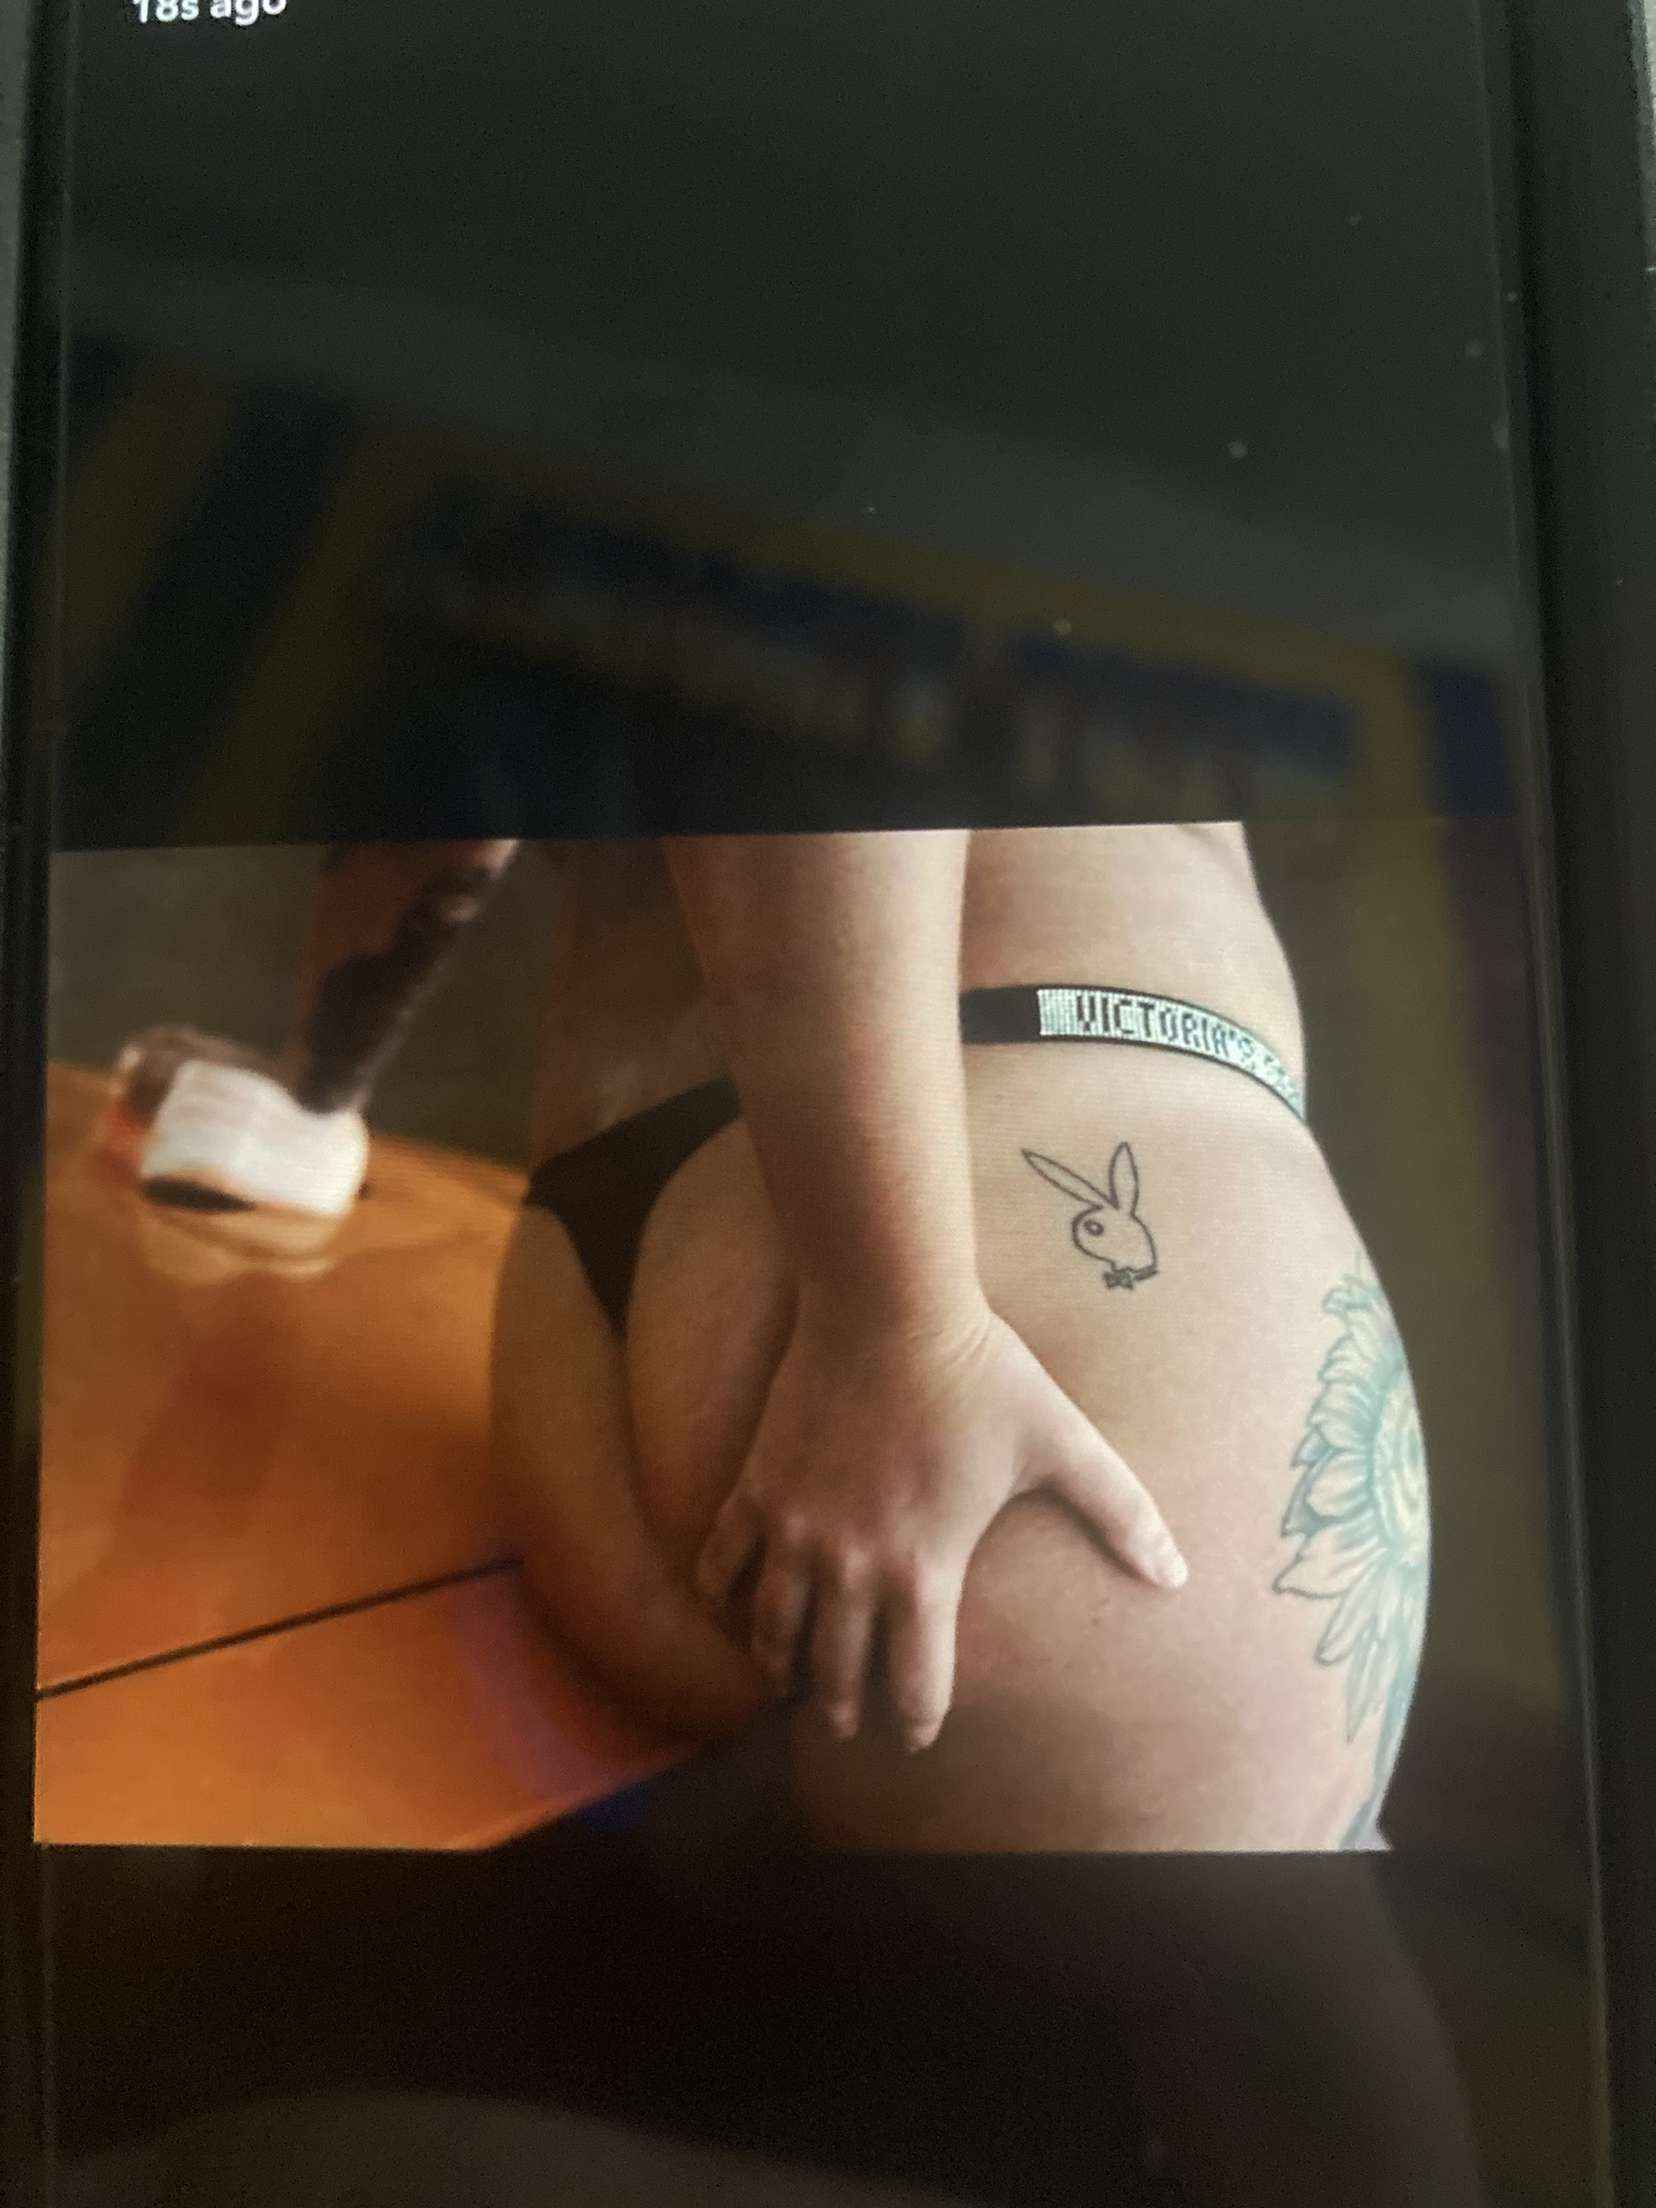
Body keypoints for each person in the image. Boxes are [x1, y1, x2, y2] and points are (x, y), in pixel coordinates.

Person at [492, 822, 1431, 1855]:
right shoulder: (894, 1319)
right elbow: (842, 740)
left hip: (590, 1318)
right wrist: (898, 1324)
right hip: (914, 1292)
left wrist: (334, 1097)